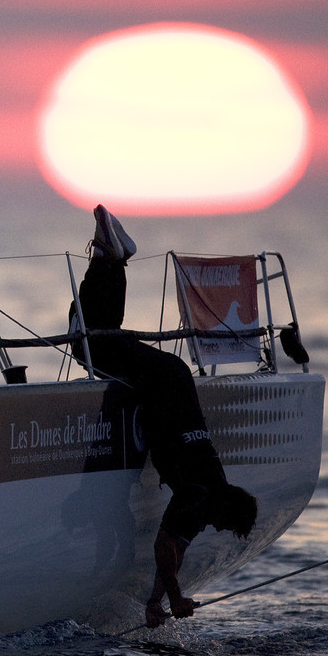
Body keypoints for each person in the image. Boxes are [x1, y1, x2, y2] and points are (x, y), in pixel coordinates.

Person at [72, 205, 258, 629]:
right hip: (161, 382)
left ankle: (112, 256)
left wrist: (156, 600)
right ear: (223, 513)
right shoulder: (198, 496)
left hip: (174, 379)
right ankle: (108, 258)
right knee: (88, 345)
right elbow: (162, 544)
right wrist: (172, 599)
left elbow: (175, 549)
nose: (218, 530)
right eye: (225, 527)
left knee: (103, 337)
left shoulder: (211, 490)